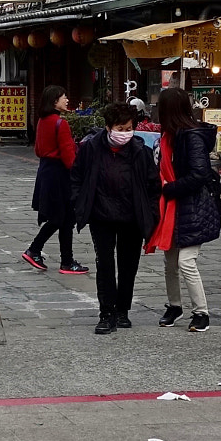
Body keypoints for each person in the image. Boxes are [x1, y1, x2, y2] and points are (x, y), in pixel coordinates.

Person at [68, 103, 158, 334]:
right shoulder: (91, 149)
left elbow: (153, 186)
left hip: (132, 216)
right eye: (120, 128)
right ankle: (106, 312)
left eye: (129, 128)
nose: (125, 133)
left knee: (129, 265)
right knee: (105, 264)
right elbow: (76, 177)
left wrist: (152, 213)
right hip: (102, 215)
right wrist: (80, 203)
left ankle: (123, 311)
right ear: (108, 127)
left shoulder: (141, 152)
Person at [150, 87, 220, 332]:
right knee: (170, 261)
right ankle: (174, 306)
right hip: (173, 207)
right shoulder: (170, 136)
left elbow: (199, 174)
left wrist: (169, 188)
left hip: (192, 206)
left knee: (186, 261)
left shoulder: (190, 136)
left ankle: (201, 312)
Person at [23, 86, 87, 274]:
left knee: (65, 218)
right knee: (61, 217)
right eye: (63, 97)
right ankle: (34, 249)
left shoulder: (42, 121)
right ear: (54, 102)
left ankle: (66, 261)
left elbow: (37, 150)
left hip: (46, 171)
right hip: (60, 175)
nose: (66, 99)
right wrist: (79, 175)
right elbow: (69, 157)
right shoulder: (61, 124)